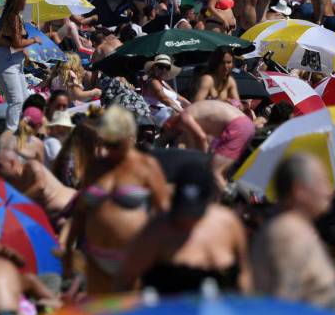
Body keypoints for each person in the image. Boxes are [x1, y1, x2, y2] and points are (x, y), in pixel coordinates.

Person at [65, 107, 169, 295]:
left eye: (115, 144)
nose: (110, 149)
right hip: (95, 255)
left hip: (135, 257)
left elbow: (163, 212)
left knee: (130, 311)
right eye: (107, 143)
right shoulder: (97, 167)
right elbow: (80, 211)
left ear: (130, 137)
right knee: (100, 310)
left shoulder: (146, 166)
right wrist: (67, 249)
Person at [118, 162, 250, 294]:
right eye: (184, 211)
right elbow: (126, 278)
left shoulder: (228, 224)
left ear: (209, 201)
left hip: (220, 303)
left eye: (194, 213)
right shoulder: (157, 230)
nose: (188, 220)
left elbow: (244, 274)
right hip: (168, 302)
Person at [249, 153, 335, 310]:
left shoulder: (296, 229)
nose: (329, 191)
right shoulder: (288, 235)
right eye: (323, 181)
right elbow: (284, 305)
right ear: (299, 190)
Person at [168, 99, 256, 191]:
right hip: (246, 124)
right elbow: (193, 144)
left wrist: (204, 159)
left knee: (214, 171)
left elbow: (201, 138)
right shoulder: (193, 111)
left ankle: (228, 197)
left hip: (237, 126)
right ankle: (217, 197)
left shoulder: (184, 117)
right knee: (221, 173)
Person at [0, 0, 37, 131]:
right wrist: (34, 40)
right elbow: (17, 43)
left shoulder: (14, 16)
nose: (25, 3)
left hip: (12, 61)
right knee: (16, 101)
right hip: (5, 61)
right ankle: (11, 135)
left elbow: (13, 43)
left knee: (23, 100)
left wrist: (24, 50)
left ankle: (21, 131)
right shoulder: (12, 17)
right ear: (16, 0)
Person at [141, 54, 189, 126]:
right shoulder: (153, 82)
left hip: (173, 112)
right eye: (161, 66)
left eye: (167, 67)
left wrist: (193, 107)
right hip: (163, 114)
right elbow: (165, 99)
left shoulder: (163, 82)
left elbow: (179, 98)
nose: (164, 70)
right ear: (154, 67)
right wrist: (183, 112)